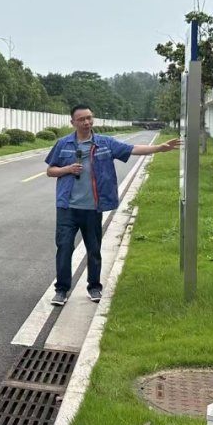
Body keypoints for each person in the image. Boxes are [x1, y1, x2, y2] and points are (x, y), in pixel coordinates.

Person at [45, 106, 181, 304]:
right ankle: (62, 290)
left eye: (89, 118)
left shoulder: (105, 143)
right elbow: (50, 171)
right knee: (64, 248)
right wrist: (67, 169)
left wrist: (159, 148)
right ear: (73, 122)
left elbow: (132, 149)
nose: (87, 122)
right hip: (67, 207)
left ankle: (94, 287)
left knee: (94, 249)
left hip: (93, 208)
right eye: (82, 119)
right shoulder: (63, 144)